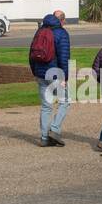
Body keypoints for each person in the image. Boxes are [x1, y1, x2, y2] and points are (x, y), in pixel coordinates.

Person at [29, 12, 71, 147]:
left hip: (41, 74)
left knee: (46, 107)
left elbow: (31, 54)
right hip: (55, 74)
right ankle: (55, 129)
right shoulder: (62, 33)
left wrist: (35, 72)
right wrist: (65, 77)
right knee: (65, 102)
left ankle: (44, 138)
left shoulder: (39, 31)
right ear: (62, 20)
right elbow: (64, 58)